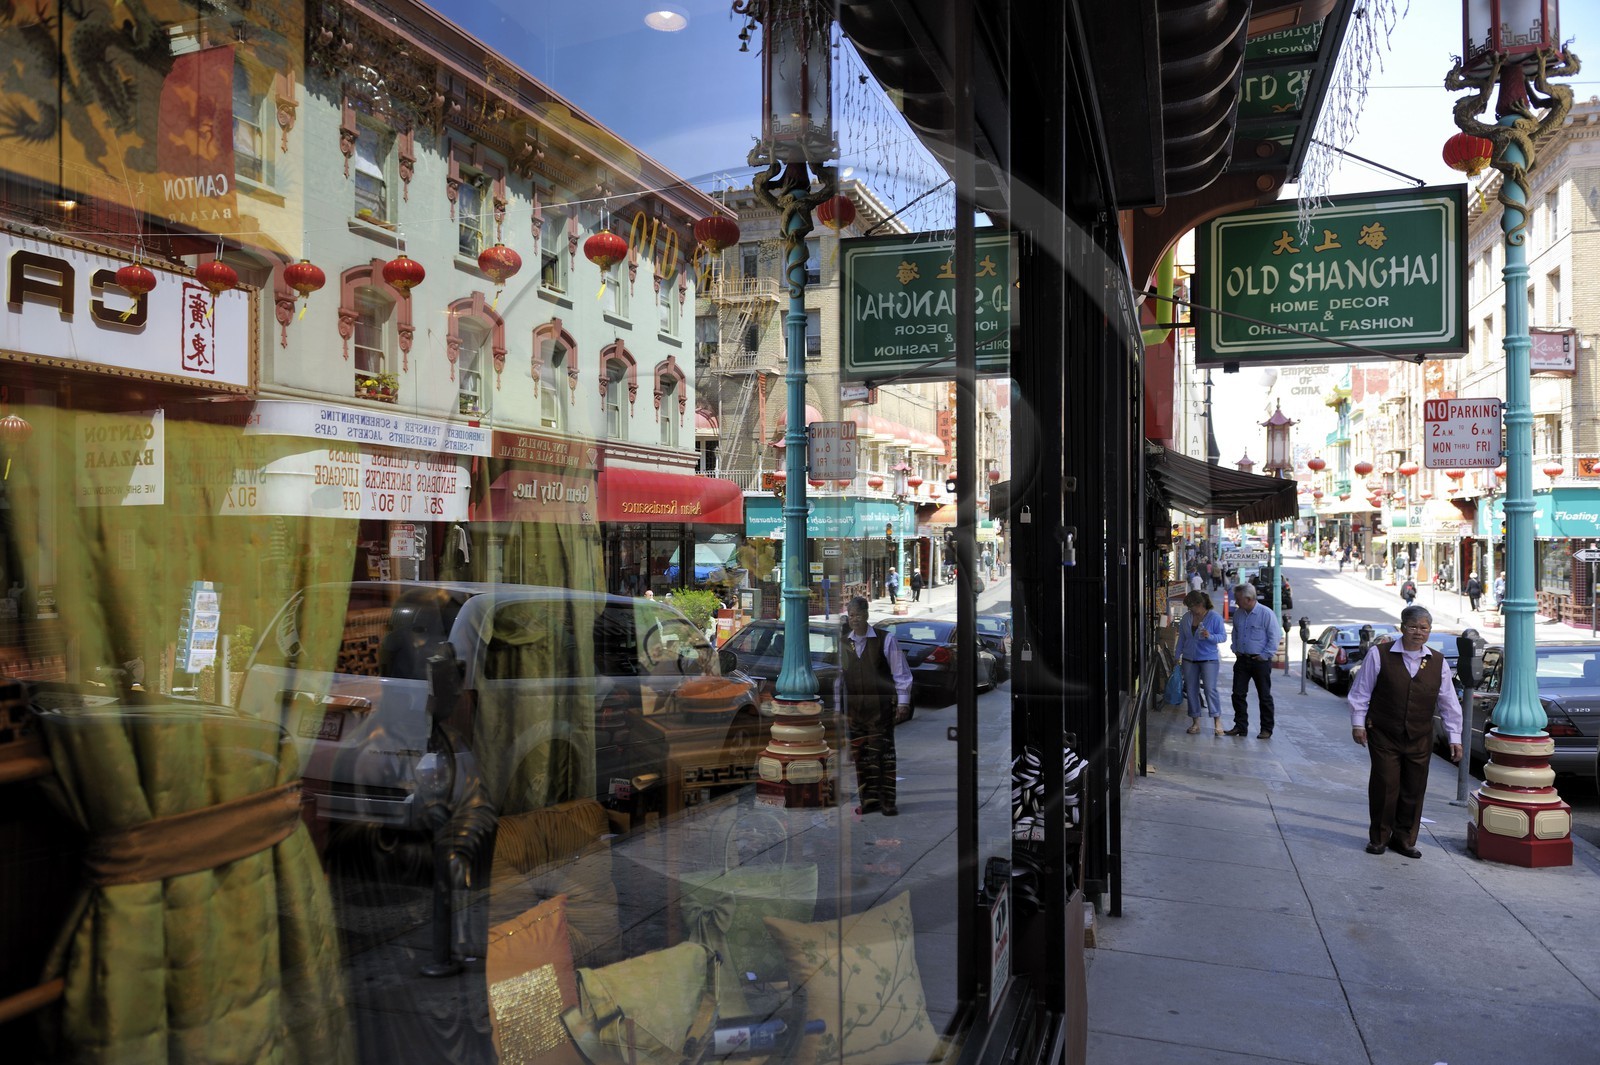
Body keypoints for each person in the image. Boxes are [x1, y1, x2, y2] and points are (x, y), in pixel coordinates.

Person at [1347, 605, 1463, 858]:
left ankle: (1405, 839)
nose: (1418, 632)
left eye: (1424, 628)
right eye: (1413, 627)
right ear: (1402, 628)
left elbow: (1448, 702)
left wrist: (1455, 737)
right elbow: (1361, 692)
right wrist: (1358, 723)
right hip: (1384, 733)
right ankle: (1379, 838)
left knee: (1414, 788)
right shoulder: (1380, 654)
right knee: (1385, 785)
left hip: (1420, 736)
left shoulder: (1438, 662)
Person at [837, 596, 913, 816]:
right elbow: (839, 679)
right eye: (851, 615)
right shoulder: (845, 643)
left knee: (883, 755)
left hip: (880, 709)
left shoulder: (885, 640)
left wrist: (903, 703)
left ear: (867, 615)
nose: (854, 620)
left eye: (858, 615)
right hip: (855, 710)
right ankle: (868, 800)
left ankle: (887, 801)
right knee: (861, 756)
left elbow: (902, 674)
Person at [1226, 583, 1280, 738]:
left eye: (1238, 599)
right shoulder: (1238, 614)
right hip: (1242, 659)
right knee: (1238, 693)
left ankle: (1266, 729)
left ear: (1248, 599)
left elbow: (1274, 637)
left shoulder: (1266, 614)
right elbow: (1235, 633)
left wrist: (1264, 655)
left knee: (1264, 695)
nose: (1235, 602)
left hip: (1260, 661)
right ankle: (1240, 726)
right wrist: (1235, 648)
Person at [1176, 590, 1226, 735]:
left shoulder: (1214, 617)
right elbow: (1182, 639)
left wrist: (1210, 636)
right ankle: (1195, 722)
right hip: (1189, 659)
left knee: (1210, 689)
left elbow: (1223, 637)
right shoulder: (1186, 618)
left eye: (1191, 606)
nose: (1190, 609)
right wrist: (1177, 655)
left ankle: (1217, 721)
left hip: (1208, 659)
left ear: (1200, 604)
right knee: (1191, 690)